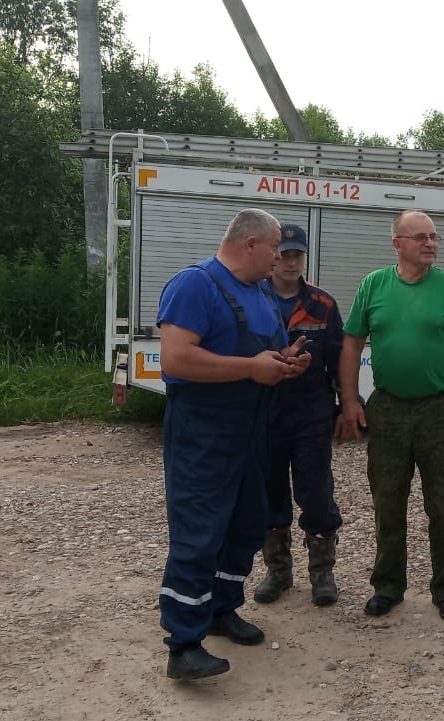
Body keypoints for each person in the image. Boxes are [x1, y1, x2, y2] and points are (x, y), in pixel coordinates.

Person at [156, 208, 311, 681]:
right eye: (274, 250)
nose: (280, 260)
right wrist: (250, 369)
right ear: (249, 244)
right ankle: (183, 644)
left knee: (245, 527)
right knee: (199, 532)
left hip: (252, 429)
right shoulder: (195, 285)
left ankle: (222, 609)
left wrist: (287, 361)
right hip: (204, 431)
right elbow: (177, 358)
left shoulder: (260, 292)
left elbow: (266, 353)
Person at [339, 209, 444, 624]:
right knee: (388, 503)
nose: (431, 244)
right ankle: (387, 586)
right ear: (397, 244)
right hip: (388, 409)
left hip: (440, 410)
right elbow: (351, 344)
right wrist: (350, 400)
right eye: (420, 237)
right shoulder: (374, 285)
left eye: (434, 237)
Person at [253, 223, 345, 607]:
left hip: (311, 415)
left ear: (305, 258)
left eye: (297, 255)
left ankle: (322, 573)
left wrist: (347, 406)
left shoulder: (322, 304)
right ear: (274, 256)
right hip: (266, 413)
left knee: (317, 494)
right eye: (284, 254)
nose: (291, 261)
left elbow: (341, 361)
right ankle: (278, 572)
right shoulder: (253, 297)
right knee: (270, 494)